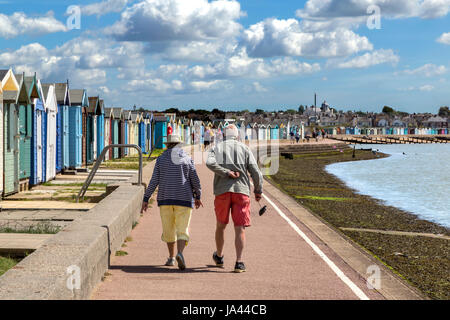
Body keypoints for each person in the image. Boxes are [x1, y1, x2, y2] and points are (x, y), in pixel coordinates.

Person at [206, 124, 263, 273]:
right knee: (240, 229)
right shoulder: (244, 149)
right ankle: (239, 262)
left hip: (222, 191)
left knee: (220, 226)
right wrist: (258, 190)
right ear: (237, 136)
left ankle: (219, 256)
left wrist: (225, 172)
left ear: (224, 135)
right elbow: (256, 172)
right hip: (241, 191)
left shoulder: (217, 148)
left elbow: (209, 162)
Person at [141, 135, 203, 270]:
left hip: (165, 199)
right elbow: (195, 180)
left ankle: (171, 257)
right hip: (184, 199)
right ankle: (180, 253)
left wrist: (146, 198)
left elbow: (154, 181)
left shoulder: (161, 159)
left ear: (167, 145)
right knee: (183, 228)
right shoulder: (187, 159)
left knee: (168, 229)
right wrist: (198, 196)